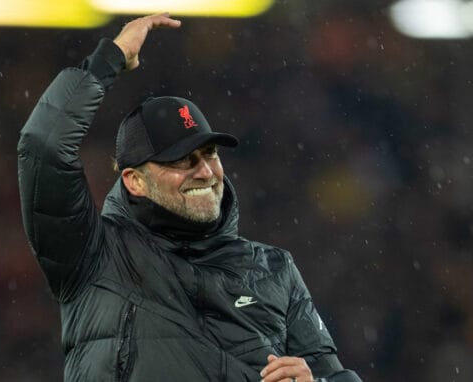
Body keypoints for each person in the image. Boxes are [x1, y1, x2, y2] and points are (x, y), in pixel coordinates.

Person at [18, 13, 362, 382]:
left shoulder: (275, 269)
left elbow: (333, 374)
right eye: (181, 160)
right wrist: (109, 60)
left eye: (209, 154)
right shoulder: (93, 253)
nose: (204, 171)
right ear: (134, 181)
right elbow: (44, 148)